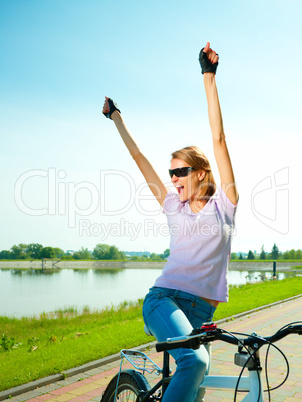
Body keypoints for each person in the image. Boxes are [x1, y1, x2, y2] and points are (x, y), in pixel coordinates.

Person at [102, 41, 238, 402]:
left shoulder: (225, 203)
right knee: (194, 363)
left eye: (181, 170)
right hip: (165, 300)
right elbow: (137, 155)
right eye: (171, 171)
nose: (173, 177)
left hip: (201, 309)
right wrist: (117, 118)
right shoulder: (171, 205)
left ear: (201, 172)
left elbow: (219, 139)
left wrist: (208, 76)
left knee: (197, 385)